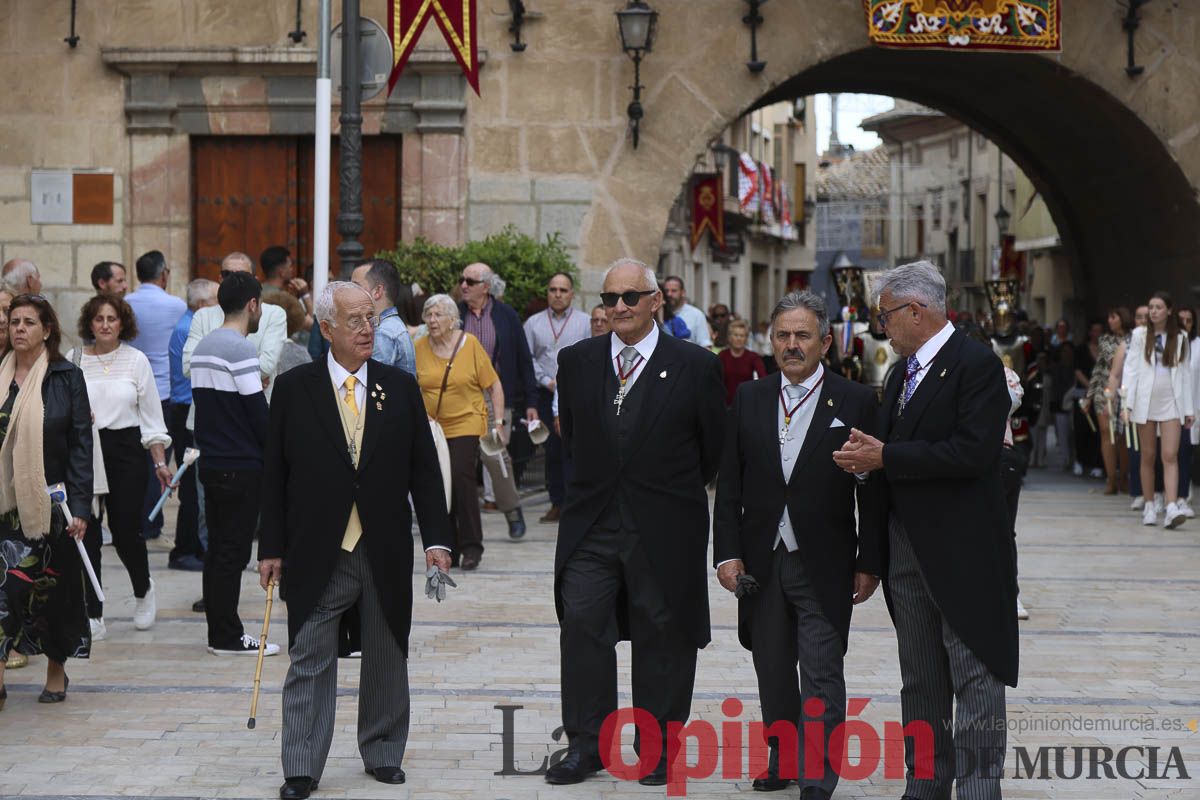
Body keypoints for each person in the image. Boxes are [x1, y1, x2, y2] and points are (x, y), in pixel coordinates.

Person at [259, 281, 452, 800]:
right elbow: (273, 474)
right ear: (326, 329)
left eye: (370, 317)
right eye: (354, 320)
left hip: (382, 543)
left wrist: (438, 539)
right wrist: (271, 548)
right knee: (309, 656)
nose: (367, 328)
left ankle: (383, 750)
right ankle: (301, 765)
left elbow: (424, 473)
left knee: (388, 651)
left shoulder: (398, 385)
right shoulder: (295, 388)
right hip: (315, 545)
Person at [832, 260, 1016, 800]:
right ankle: (926, 782)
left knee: (974, 671)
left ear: (917, 310)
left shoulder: (976, 365)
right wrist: (867, 460)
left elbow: (973, 453)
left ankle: (980, 788)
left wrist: (887, 454)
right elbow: (892, 455)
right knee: (920, 673)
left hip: (962, 548)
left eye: (885, 314)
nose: (880, 325)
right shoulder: (900, 371)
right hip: (905, 545)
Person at [547, 258, 725, 786]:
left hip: (665, 524)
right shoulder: (577, 361)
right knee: (581, 626)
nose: (618, 307)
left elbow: (711, 451)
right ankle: (587, 747)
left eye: (630, 297)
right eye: (609, 299)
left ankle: (659, 749)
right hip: (593, 522)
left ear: (656, 301)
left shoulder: (695, 365)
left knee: (662, 633)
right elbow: (575, 439)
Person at [713, 290, 882, 798]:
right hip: (762, 561)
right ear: (771, 339)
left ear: (825, 342)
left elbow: (872, 490)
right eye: (783, 335)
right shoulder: (750, 397)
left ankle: (817, 776)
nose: (791, 345)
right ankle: (782, 757)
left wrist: (869, 560)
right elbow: (731, 483)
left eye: (802, 335)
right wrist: (726, 552)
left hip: (825, 560)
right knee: (771, 666)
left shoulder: (854, 401)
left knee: (822, 669)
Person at [0, 294, 93, 708]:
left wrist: (83, 506)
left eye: (28, 322)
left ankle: (56, 670)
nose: (19, 328)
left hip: (52, 506)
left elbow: (79, 445)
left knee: (52, 593)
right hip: (4, 505)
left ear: (47, 330)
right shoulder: (0, 373)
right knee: (4, 592)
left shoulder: (66, 377)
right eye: (14, 321)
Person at [70, 293, 173, 634]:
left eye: (111, 319)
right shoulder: (75, 360)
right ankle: (93, 611)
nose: (105, 325)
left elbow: (151, 417)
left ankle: (143, 590)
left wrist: (160, 461)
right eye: (99, 319)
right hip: (86, 451)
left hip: (127, 450)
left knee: (127, 531)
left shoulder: (136, 360)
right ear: (90, 323)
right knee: (89, 533)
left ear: (122, 323)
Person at [189, 272, 276, 656]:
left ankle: (218, 633)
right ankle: (226, 635)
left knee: (219, 551)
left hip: (212, 460)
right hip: (240, 464)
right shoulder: (240, 349)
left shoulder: (206, 344)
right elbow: (257, 414)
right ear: (252, 305)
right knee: (232, 553)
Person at [415, 294, 501, 571]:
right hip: (434, 427)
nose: (432, 320)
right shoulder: (419, 347)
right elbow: (412, 386)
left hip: (467, 421)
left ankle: (473, 546)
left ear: (453, 320)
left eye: (438, 314)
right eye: (429, 314)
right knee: (440, 485)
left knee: (462, 479)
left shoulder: (470, 345)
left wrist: (498, 422)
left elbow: (493, 385)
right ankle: (447, 544)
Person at [458, 262, 537, 538]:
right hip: (461, 399)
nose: (464, 285)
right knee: (459, 460)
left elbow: (524, 360)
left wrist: (531, 401)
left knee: (496, 456)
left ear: (486, 286)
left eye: (470, 280)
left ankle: (512, 511)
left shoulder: (506, 316)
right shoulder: (455, 315)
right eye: (462, 280)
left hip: (495, 398)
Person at [125, 250, 187, 541]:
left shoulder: (125, 304)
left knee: (137, 459)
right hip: (164, 390)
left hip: (131, 387)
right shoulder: (175, 305)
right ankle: (150, 520)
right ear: (163, 274)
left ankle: (135, 518)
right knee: (160, 460)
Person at [1121, 291, 1193, 528]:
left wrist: (1189, 409)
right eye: (1151, 307)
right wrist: (1127, 405)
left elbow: (1185, 374)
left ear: (1169, 310)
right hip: (1145, 401)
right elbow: (1130, 371)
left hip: (1171, 402)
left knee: (1170, 455)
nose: (1153, 311)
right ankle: (1150, 504)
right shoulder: (1140, 335)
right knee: (1148, 456)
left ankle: (1171, 506)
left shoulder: (1180, 336)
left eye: (1158, 307)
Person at [523, 272, 590, 524]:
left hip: (574, 395)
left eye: (563, 290)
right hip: (544, 392)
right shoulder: (533, 324)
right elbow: (527, 358)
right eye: (553, 290)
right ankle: (556, 502)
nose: (558, 295)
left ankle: (574, 502)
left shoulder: (584, 322)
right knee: (550, 450)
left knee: (574, 449)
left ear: (572, 294)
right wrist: (545, 381)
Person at [183, 251, 287, 403]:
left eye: (242, 275)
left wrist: (212, 370)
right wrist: (250, 373)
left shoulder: (273, 314)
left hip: (256, 411)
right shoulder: (202, 316)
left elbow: (267, 365)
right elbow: (187, 367)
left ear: (254, 280)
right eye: (227, 274)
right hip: (209, 414)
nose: (234, 280)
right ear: (220, 278)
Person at [166, 279, 218, 571]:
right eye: (213, 301)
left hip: (187, 407)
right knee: (190, 485)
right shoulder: (190, 329)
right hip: (187, 410)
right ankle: (186, 549)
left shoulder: (190, 324)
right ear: (201, 306)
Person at [1084, 307, 1131, 496]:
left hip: (1125, 390)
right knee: (1106, 434)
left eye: (1114, 317)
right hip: (1104, 390)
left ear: (1122, 319)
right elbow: (1101, 367)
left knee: (1123, 436)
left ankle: (1124, 477)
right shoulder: (1105, 340)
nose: (1110, 320)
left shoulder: (1134, 339)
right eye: (1109, 317)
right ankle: (1111, 478)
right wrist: (1089, 396)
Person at [351, 259, 416, 376]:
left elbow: (372, 382)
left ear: (377, 291)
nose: (350, 293)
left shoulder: (383, 332)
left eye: (356, 287)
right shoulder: (387, 326)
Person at [261, 245, 314, 333]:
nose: (292, 270)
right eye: (290, 266)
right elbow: (312, 326)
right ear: (281, 272)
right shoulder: (283, 299)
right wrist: (305, 295)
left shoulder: (256, 291)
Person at [717, 319, 767, 406]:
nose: (739, 338)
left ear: (746, 338)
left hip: (747, 403)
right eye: (736, 335)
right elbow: (716, 380)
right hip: (725, 405)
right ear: (729, 337)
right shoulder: (722, 356)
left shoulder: (753, 357)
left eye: (742, 336)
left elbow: (763, 378)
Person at [662, 276, 712, 347]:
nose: (669, 294)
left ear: (683, 292)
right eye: (666, 291)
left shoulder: (696, 315)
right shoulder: (657, 314)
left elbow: (705, 345)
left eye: (674, 291)